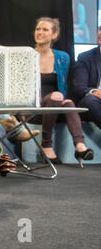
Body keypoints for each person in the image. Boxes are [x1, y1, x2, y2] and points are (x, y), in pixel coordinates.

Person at [33, 17, 93, 163]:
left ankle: (80, 146)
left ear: (54, 35)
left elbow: (63, 86)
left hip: (54, 106)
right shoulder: (27, 55)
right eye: (38, 29)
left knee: (69, 103)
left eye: (45, 29)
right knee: (57, 96)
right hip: (33, 108)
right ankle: (46, 144)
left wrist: (61, 99)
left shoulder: (62, 57)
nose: (40, 32)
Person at [72, 25, 101, 128]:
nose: (100, 33)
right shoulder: (85, 57)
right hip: (95, 102)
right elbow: (79, 88)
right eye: (100, 29)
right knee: (90, 100)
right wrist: (95, 92)